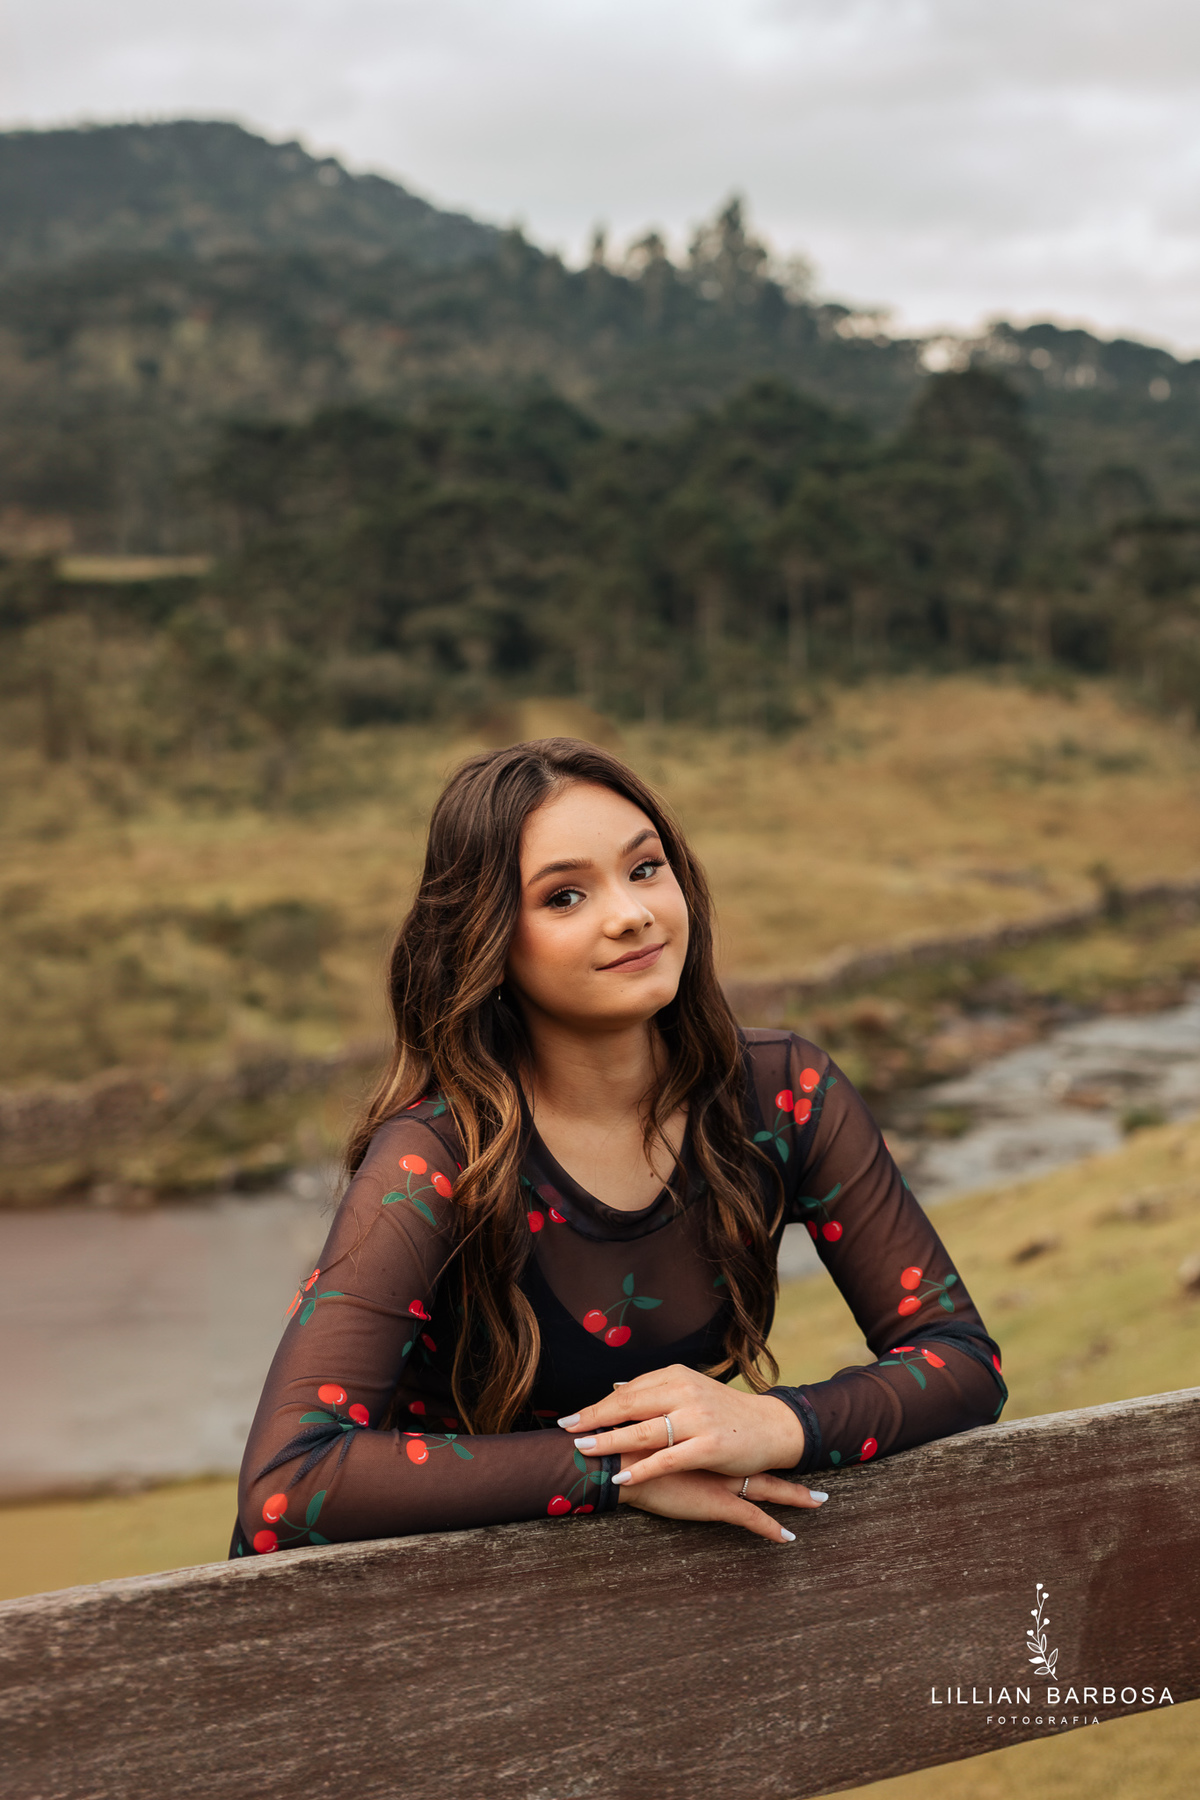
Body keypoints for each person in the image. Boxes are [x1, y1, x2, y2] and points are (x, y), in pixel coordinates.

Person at [233, 738, 1005, 1557]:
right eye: (564, 896)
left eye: (645, 870)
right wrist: (621, 1469)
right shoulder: (438, 1158)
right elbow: (288, 1487)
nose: (630, 912)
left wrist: (778, 1421)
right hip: (410, 1636)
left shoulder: (784, 1095)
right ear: (489, 944)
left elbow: (961, 1361)